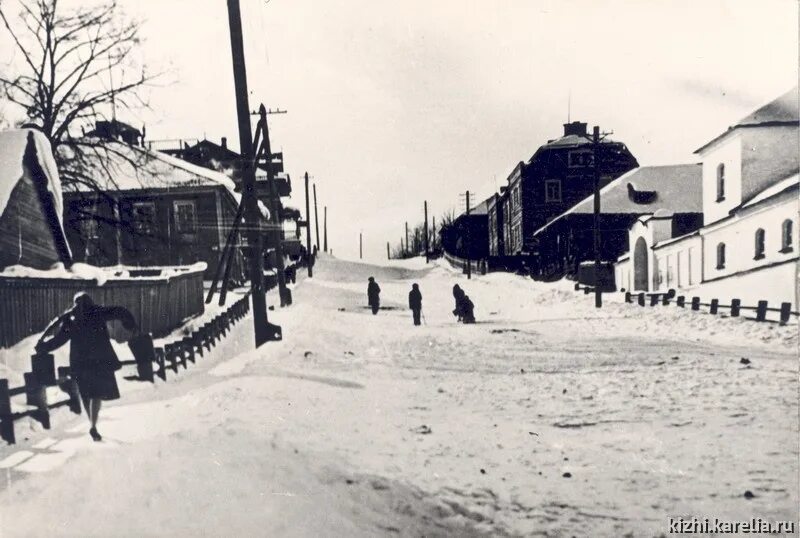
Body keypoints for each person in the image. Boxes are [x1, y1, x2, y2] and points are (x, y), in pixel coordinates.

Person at [35, 292, 138, 442]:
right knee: (96, 395)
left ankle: (92, 422)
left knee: (86, 394)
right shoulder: (97, 312)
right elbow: (120, 311)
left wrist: (42, 347)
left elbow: (59, 340)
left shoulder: (71, 319)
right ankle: (93, 425)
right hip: (99, 362)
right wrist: (130, 324)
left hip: (80, 364)